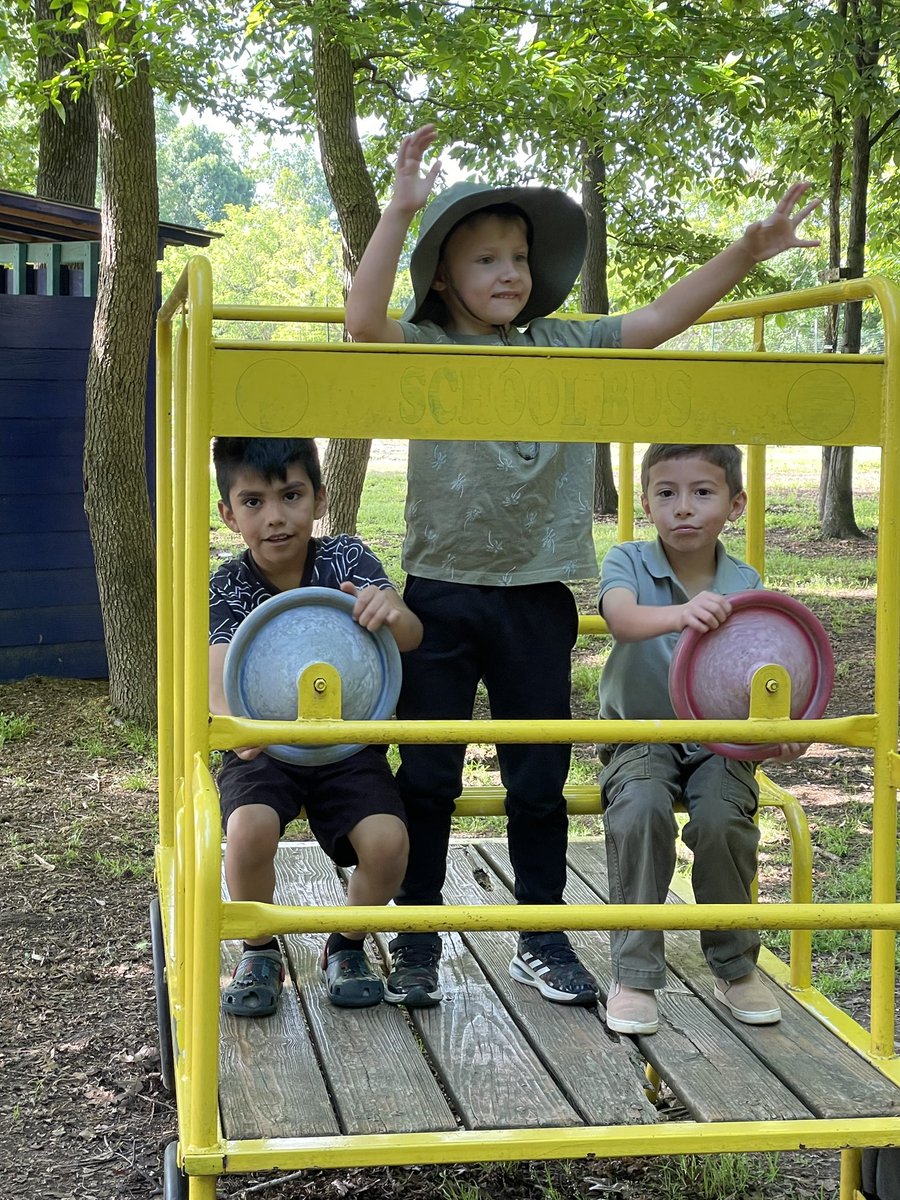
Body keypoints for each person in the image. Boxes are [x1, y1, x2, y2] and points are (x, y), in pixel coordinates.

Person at [344, 122, 820, 1010]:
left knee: (537, 779)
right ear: (445, 276)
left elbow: (659, 320)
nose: (509, 272)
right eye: (485, 258)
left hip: (536, 597)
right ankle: (415, 938)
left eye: (518, 256)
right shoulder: (433, 349)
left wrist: (744, 253)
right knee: (431, 776)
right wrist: (400, 210)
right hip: (441, 595)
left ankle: (541, 935)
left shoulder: (564, 345)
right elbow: (361, 323)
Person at [208, 436, 423, 1016]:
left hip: (347, 744)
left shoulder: (346, 562)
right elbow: (217, 679)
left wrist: (391, 612)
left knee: (388, 843)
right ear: (228, 513)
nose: (275, 517)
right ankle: (258, 946)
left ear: (320, 499)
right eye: (253, 502)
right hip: (265, 746)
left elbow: (408, 636)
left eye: (291, 495)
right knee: (249, 831)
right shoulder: (226, 587)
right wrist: (236, 726)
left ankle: (347, 942)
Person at [598, 443, 807, 1035]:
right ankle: (635, 974)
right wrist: (683, 614)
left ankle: (736, 965)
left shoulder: (745, 580)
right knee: (640, 810)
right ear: (645, 503)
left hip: (718, 736)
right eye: (666, 493)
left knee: (721, 818)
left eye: (702, 492)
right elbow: (622, 619)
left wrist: (779, 729)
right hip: (642, 731)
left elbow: (758, 664)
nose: (682, 508)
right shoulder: (629, 562)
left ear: (735, 503)